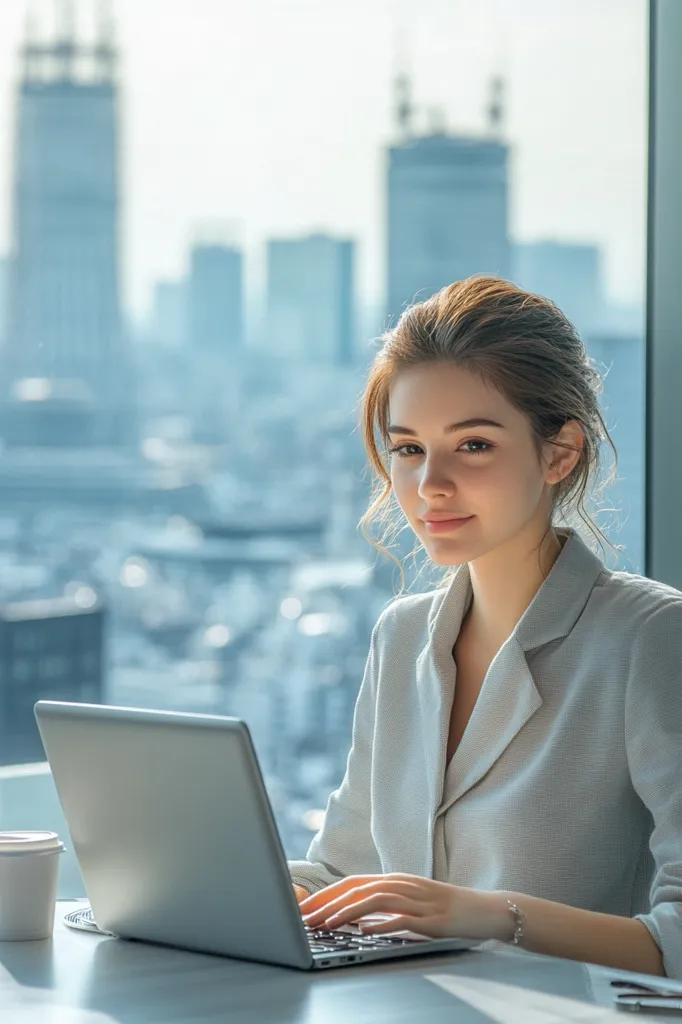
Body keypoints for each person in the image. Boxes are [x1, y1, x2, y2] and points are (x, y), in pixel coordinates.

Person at [287, 276, 682, 978]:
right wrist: (262, 889)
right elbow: (344, 870)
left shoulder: (650, 638)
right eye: (408, 448)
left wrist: (496, 917)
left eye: (472, 445)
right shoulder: (402, 637)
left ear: (560, 453)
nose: (429, 484)